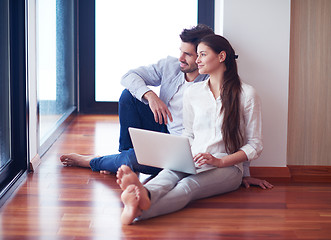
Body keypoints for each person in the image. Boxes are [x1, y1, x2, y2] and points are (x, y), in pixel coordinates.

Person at [60, 24, 273, 189]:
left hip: (181, 145)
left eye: (190, 54)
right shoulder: (171, 65)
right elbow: (128, 76)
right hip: (162, 125)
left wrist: (244, 174)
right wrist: (151, 95)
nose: (182, 58)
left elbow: (237, 131)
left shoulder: (213, 83)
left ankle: (94, 161)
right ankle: (122, 159)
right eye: (182, 51)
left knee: (134, 159)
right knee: (129, 96)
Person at [116, 34, 266, 225]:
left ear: (221, 56)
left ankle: (140, 209)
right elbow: (189, 134)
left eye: (202, 55)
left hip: (227, 168)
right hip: (193, 158)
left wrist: (221, 162)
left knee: (187, 186)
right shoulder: (193, 93)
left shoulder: (247, 95)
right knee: (167, 175)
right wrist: (177, 156)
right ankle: (143, 194)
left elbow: (255, 145)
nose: (197, 60)